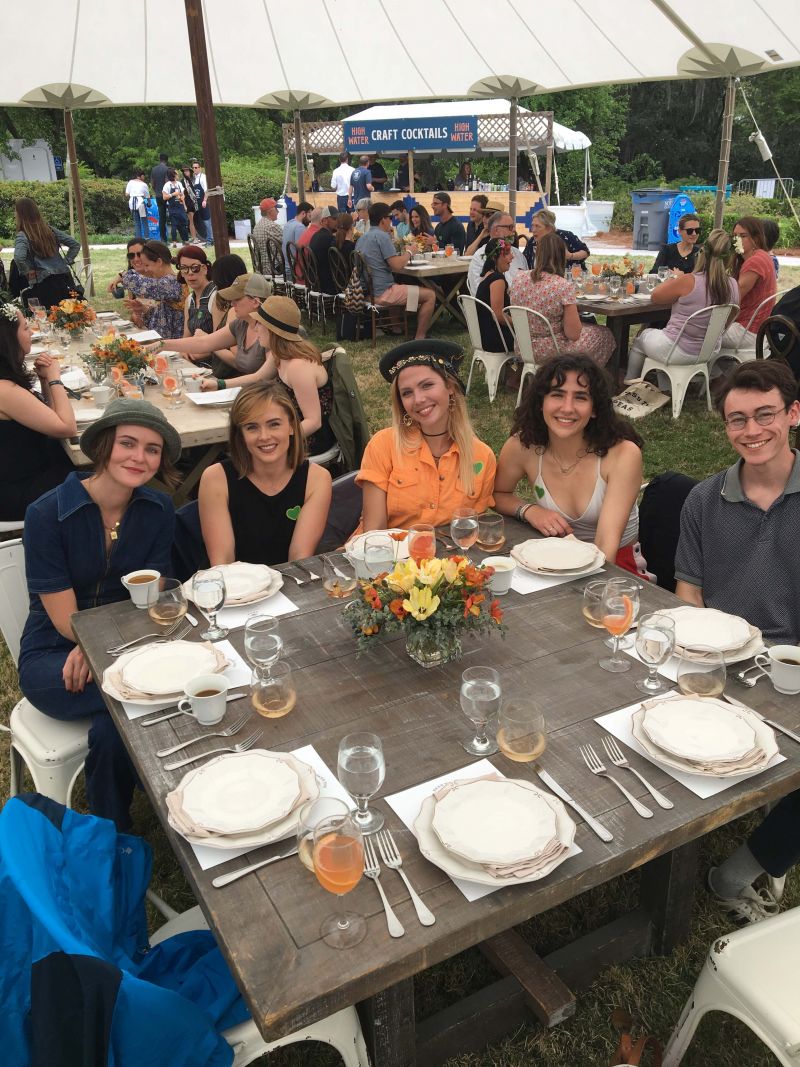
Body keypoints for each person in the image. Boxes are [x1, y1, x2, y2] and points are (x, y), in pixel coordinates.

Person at [673, 359, 800, 923]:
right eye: (737, 420)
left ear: (793, 414)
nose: (752, 431)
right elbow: (687, 591)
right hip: (721, 661)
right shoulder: (704, 499)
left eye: (765, 415)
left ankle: (737, 871)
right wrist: (698, 663)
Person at [18, 397, 181, 831]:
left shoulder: (158, 509)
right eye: (128, 443)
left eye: (152, 449)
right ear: (105, 446)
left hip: (131, 640)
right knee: (159, 695)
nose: (139, 457)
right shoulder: (47, 513)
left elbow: (155, 596)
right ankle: (165, 785)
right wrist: (89, 647)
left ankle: (111, 825)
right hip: (54, 652)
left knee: (117, 720)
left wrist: (104, 651)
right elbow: (61, 617)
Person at [494, 354, 645, 572]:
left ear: (595, 408)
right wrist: (529, 510)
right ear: (540, 402)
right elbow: (497, 495)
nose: (567, 408)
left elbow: (605, 548)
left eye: (581, 397)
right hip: (552, 558)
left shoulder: (623, 455)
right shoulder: (522, 446)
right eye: (557, 394)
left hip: (616, 567)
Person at [357, 340, 496, 531]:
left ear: (450, 387)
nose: (419, 399)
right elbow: (374, 533)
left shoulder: (482, 457)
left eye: (427, 385)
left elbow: (472, 530)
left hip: (446, 558)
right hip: (388, 554)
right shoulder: (383, 445)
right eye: (407, 393)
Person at [198, 381, 332, 567]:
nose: (264, 436)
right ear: (240, 435)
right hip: (233, 587)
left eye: (274, 424)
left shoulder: (316, 479)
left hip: (289, 584)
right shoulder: (215, 478)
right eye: (252, 427)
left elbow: (299, 558)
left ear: (292, 426)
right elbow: (222, 562)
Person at [202, 296, 335, 455]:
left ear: (272, 330)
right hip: (283, 429)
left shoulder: (298, 367)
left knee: (237, 449)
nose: (255, 329)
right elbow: (258, 377)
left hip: (305, 441)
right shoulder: (280, 354)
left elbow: (314, 422)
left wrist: (274, 441)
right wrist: (219, 384)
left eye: (259, 323)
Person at [626, 228, 740, 382]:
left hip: (675, 349)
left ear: (702, 254)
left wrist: (675, 278)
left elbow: (655, 296)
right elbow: (728, 320)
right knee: (658, 336)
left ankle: (629, 380)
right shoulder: (733, 284)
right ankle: (666, 383)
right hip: (708, 351)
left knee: (642, 337)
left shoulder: (689, 280)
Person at [0, 303, 75, 519]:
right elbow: (65, 427)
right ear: (8, 338)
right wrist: (54, 378)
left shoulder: (7, 381)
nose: (31, 332)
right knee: (100, 475)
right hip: (19, 492)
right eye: (25, 327)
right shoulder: (5, 390)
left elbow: (49, 420)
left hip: (24, 471)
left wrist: (44, 382)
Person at [509, 232, 615, 367]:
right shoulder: (562, 285)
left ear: (538, 254)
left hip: (522, 346)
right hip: (550, 350)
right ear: (562, 255)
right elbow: (573, 334)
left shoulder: (518, 278)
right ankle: (584, 377)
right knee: (604, 334)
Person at [164, 272, 270, 375]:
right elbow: (203, 342)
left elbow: (262, 378)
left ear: (255, 302)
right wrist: (160, 345)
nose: (232, 303)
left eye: (237, 299)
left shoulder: (270, 330)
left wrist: (220, 384)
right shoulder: (240, 324)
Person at [357, 203, 435, 340]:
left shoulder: (362, 238)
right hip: (383, 293)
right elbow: (397, 266)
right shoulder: (382, 236)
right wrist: (410, 251)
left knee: (400, 283)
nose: (391, 220)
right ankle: (420, 337)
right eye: (390, 217)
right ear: (383, 220)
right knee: (430, 295)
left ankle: (397, 327)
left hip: (367, 291)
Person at [13, 197, 81, 308]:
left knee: (47, 317)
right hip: (63, 279)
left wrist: (27, 271)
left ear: (20, 214)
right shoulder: (50, 230)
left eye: (15, 211)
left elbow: (18, 257)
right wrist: (65, 261)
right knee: (66, 313)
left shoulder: (23, 235)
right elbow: (75, 244)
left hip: (42, 283)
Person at [721, 216, 778, 350]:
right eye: (735, 236)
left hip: (747, 331)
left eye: (743, 236)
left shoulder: (754, 262)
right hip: (759, 328)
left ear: (756, 238)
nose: (737, 240)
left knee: (696, 333)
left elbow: (732, 300)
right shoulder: (763, 255)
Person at [116, 240, 184, 338]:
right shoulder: (166, 282)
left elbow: (142, 285)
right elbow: (162, 319)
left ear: (159, 262)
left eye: (147, 265)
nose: (146, 269)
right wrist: (144, 310)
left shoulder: (171, 282)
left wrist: (122, 275)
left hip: (173, 348)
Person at [467, 211, 526, 295]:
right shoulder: (480, 257)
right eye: (510, 227)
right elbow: (480, 294)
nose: (514, 230)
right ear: (496, 230)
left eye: (513, 226)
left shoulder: (518, 254)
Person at [474, 238, 515, 352]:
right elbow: (498, 315)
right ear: (494, 257)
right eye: (506, 254)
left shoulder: (486, 275)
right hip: (495, 338)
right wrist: (519, 324)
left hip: (484, 334)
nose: (512, 257)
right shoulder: (497, 280)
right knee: (532, 336)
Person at [523, 207, 590, 272]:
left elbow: (585, 252)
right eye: (532, 225)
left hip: (571, 279)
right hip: (542, 281)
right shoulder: (532, 242)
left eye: (538, 226)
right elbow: (524, 261)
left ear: (549, 228)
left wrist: (570, 256)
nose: (533, 230)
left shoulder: (565, 236)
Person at [175, 245, 217, 338]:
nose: (190, 273)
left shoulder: (215, 297)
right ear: (181, 272)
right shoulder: (189, 300)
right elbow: (186, 337)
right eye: (184, 268)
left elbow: (220, 342)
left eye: (195, 267)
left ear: (205, 269)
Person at [309, 207, 340, 295]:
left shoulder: (315, 236)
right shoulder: (329, 238)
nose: (337, 222)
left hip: (315, 284)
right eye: (334, 219)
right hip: (328, 286)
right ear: (324, 221)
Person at [251, 197, 282, 270]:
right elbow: (287, 243)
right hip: (273, 268)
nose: (278, 212)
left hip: (260, 267)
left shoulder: (257, 226)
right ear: (270, 211)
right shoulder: (273, 226)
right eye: (276, 209)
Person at [162, 168, 189, 244]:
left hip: (180, 207)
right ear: (173, 174)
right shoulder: (167, 185)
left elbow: (183, 195)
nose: (177, 174)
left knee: (184, 224)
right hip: (172, 207)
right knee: (174, 225)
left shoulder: (179, 184)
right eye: (176, 173)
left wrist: (184, 204)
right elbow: (164, 197)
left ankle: (185, 240)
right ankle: (174, 242)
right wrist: (172, 194)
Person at [189, 159, 211, 244]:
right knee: (202, 222)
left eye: (196, 167)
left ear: (200, 168)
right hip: (198, 204)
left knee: (207, 221)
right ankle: (206, 239)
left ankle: (210, 240)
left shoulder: (203, 177)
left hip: (204, 203)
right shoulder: (194, 178)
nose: (194, 169)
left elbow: (206, 190)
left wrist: (205, 200)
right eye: (193, 168)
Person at [150, 152, 170, 242]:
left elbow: (152, 183)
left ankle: (163, 239)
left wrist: (156, 191)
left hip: (158, 195)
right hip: (167, 196)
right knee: (172, 215)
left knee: (162, 218)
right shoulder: (167, 169)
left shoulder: (154, 169)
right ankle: (173, 238)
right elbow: (167, 182)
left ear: (160, 159)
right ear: (166, 160)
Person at [125, 169, 150, 240]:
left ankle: (138, 240)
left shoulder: (130, 182)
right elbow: (147, 196)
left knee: (137, 222)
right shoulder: (144, 184)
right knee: (144, 221)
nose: (144, 178)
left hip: (132, 204)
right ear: (141, 176)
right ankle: (147, 238)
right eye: (144, 176)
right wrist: (149, 203)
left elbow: (126, 194)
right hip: (141, 203)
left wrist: (134, 193)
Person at [181, 165, 200, 239]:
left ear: (190, 171)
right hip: (188, 202)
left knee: (198, 220)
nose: (185, 172)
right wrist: (184, 205)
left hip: (196, 201)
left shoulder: (194, 179)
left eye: (187, 170)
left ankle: (199, 236)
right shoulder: (183, 181)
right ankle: (194, 238)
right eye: (184, 171)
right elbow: (182, 194)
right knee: (192, 221)